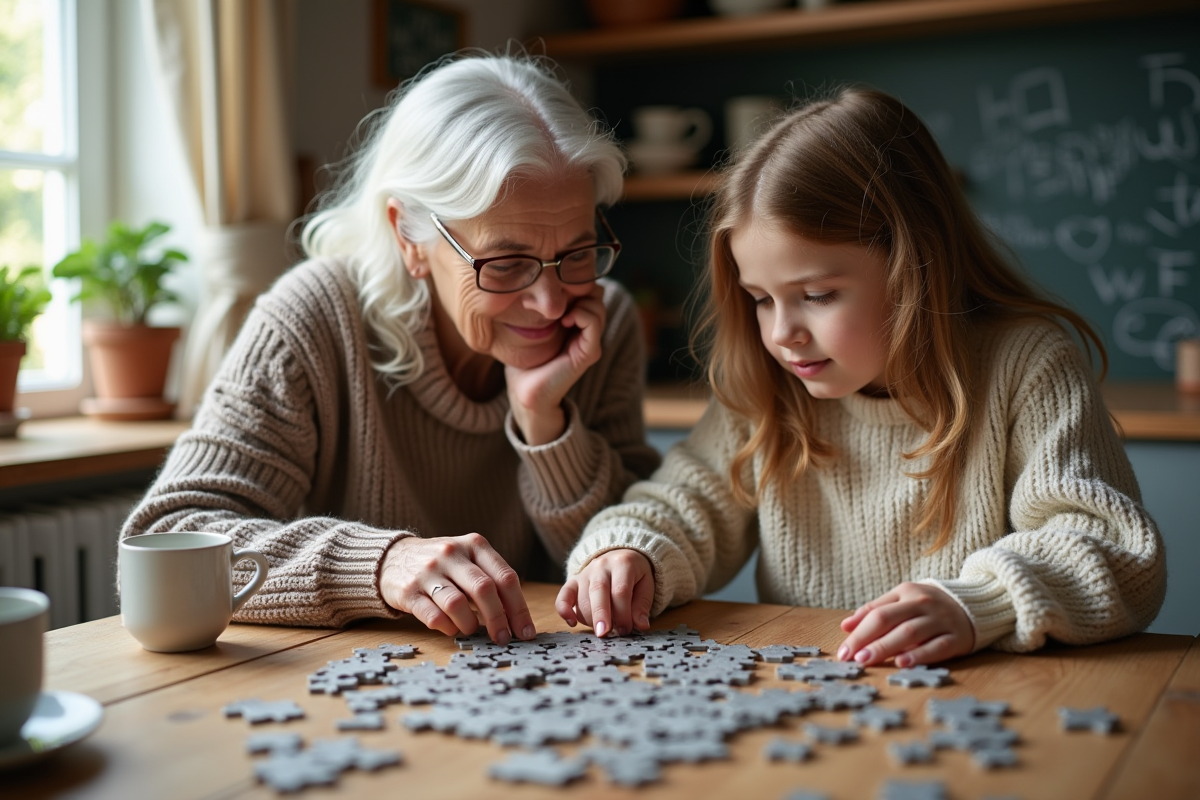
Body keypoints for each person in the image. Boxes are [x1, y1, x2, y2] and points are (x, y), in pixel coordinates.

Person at [558, 87, 1166, 663]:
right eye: (761, 299)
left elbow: (1114, 552)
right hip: (809, 709)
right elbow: (685, 503)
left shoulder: (1026, 363)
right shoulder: (775, 387)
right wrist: (626, 550)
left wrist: (981, 601)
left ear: (915, 267)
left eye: (817, 294)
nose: (780, 334)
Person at [122, 53, 661, 644]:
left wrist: (544, 424)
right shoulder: (315, 316)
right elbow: (169, 537)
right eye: (506, 263)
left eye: (577, 254)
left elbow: (616, 564)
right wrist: (381, 564)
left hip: (539, 687)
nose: (552, 302)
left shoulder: (603, 325)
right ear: (409, 237)